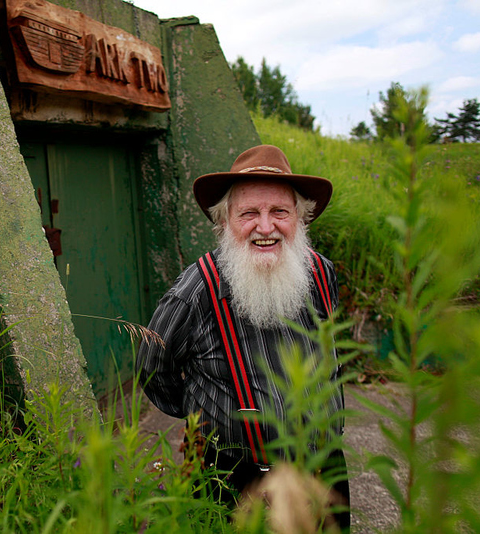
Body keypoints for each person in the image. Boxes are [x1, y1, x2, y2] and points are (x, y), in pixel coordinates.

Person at [136, 144, 349, 528]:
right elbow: (153, 366)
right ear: (225, 222)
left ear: (300, 219)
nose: (265, 227)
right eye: (249, 213)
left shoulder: (321, 272)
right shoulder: (196, 290)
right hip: (231, 482)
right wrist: (203, 412)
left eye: (280, 212)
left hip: (324, 468)